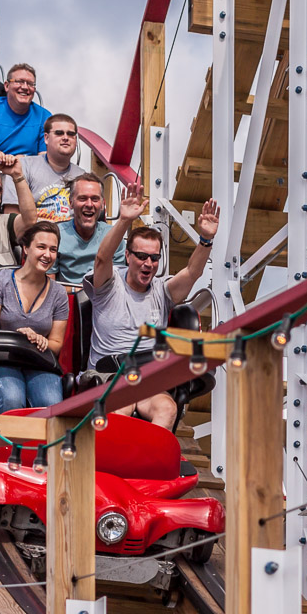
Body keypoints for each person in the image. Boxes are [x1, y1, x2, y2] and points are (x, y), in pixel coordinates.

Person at [84, 179, 220, 428]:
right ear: (128, 256)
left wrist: (205, 240)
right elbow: (102, 259)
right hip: (109, 374)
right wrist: (124, 220)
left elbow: (192, 272)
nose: (148, 263)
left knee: (167, 408)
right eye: (142, 256)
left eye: (154, 258)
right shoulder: (109, 284)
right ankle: (113, 463)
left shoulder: (161, 290)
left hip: (147, 377)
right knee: (120, 406)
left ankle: (149, 465)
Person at [0, 221, 70, 411]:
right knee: (12, 399)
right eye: (41, 247)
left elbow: (56, 343)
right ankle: (5, 441)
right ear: (26, 248)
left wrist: (39, 340)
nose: (47, 255)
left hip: (39, 363)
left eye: (53, 250)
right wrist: (19, 338)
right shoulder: (0, 281)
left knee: (51, 405)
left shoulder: (59, 293)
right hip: (3, 359)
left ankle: (45, 443)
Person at [0, 114, 85, 220]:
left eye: (71, 134)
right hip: (32, 233)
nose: (65, 138)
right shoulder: (22, 167)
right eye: (59, 133)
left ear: (76, 141)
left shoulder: (82, 176)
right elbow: (11, 216)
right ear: (46, 138)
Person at [52, 173, 124, 286]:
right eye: (82, 198)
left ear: (102, 205)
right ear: (71, 203)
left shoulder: (113, 236)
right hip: (66, 300)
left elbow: (118, 283)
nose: (89, 204)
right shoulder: (55, 235)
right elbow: (48, 287)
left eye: (95, 199)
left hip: (104, 299)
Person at [0, 64, 51, 159]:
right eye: (19, 82)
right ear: (6, 86)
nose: (25, 87)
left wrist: (24, 161)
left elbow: (45, 159)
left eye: (30, 84)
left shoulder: (44, 117)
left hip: (29, 171)